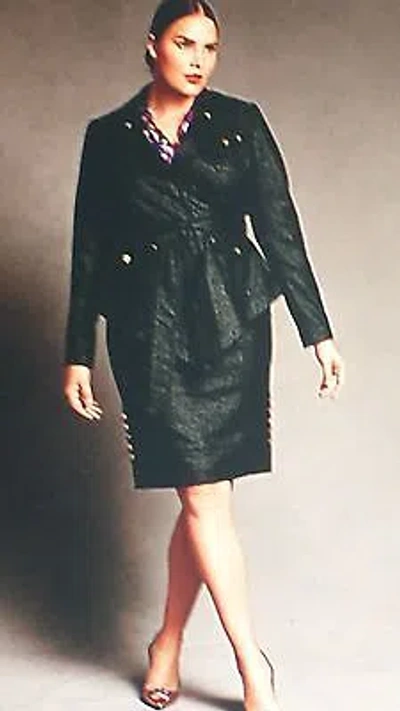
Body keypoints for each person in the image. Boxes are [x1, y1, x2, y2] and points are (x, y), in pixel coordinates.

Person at [63, 1, 345, 708]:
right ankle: (248, 664)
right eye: (184, 43)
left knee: (204, 496)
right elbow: (89, 249)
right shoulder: (108, 137)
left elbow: (280, 228)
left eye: (210, 48)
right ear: (152, 45)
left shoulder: (241, 123)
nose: (197, 60)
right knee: (202, 495)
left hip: (230, 325)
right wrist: (77, 351)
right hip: (149, 330)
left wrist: (317, 332)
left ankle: (188, 648)